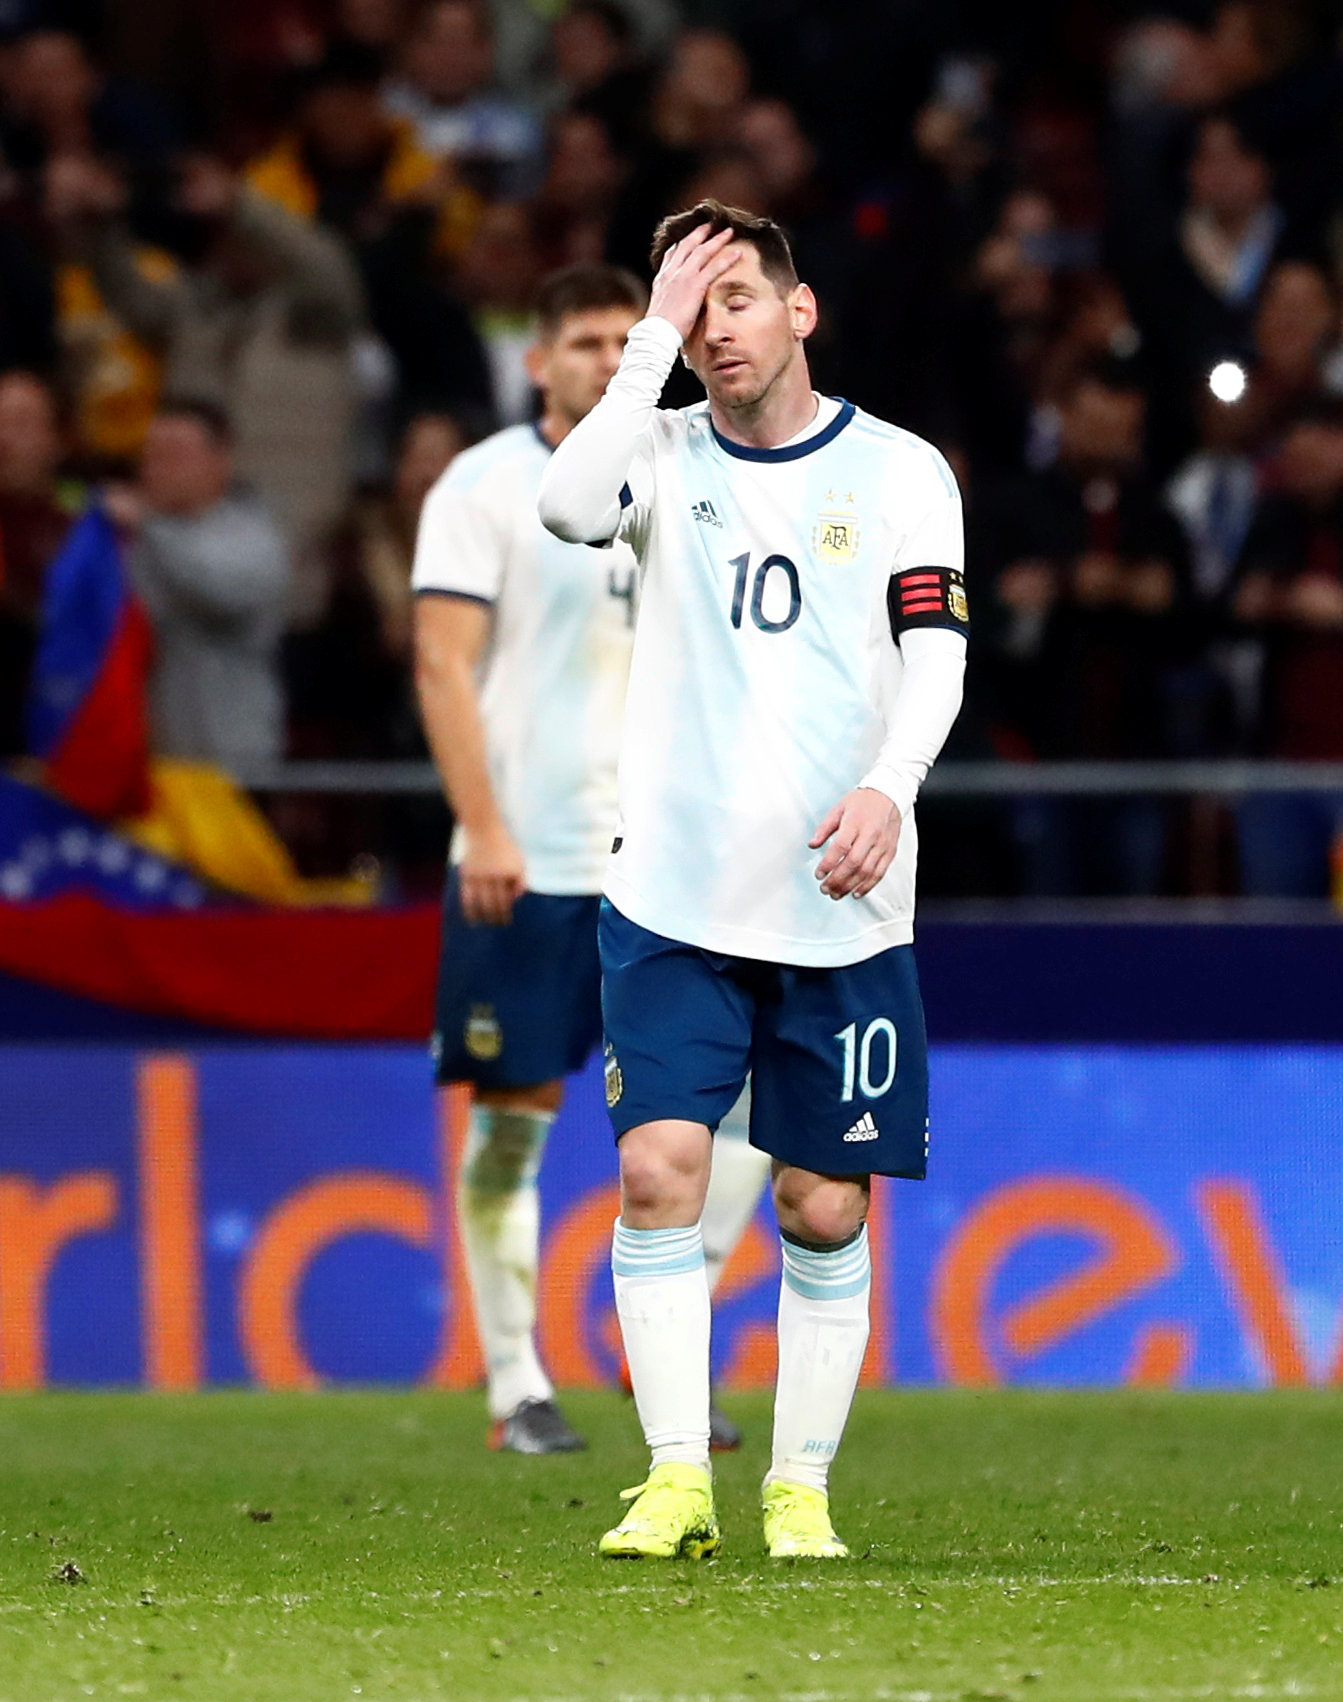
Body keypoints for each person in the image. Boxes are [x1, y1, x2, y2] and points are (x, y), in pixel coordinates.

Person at [538, 201, 968, 1559]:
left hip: (838, 901)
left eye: (735, 300)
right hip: (670, 895)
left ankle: (798, 1489)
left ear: (798, 310)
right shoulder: (657, 454)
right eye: (692, 308)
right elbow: (563, 503)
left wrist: (888, 786)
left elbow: (938, 653)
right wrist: (644, 341)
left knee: (819, 1202)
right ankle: (674, 1480)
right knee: (657, 1170)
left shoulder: (899, 471)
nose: (713, 330)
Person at [412, 261, 770, 1455]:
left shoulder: (698, 465)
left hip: (675, 858)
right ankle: (515, 1380)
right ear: (536, 361)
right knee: (516, 1114)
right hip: (533, 853)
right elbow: (441, 663)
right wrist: (484, 825)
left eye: (627, 337)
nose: (607, 357)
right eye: (582, 341)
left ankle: (662, 1341)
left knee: (745, 1105)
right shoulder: (485, 484)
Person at [123, 399, 290, 765]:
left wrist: (149, 526)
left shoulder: (252, 536)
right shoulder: (130, 539)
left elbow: (220, 590)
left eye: (174, 455)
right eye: (151, 456)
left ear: (219, 461)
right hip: (152, 755)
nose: (157, 469)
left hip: (233, 755)